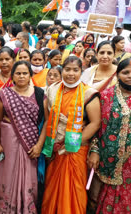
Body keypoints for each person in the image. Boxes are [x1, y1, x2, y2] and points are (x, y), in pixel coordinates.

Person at [41, 56, 101, 214]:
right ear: (62, 70)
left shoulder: (89, 93)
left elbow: (95, 123)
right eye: (67, 69)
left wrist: (73, 143)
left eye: (76, 70)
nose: (71, 74)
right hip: (55, 146)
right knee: (53, 185)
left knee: (74, 187)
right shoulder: (52, 89)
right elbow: (47, 118)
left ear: (81, 72)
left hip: (76, 148)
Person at [0, 60, 47, 213]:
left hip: (30, 143)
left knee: (28, 176)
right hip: (8, 142)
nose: (22, 76)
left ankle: (26, 207)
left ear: (30, 75)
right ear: (12, 76)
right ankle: (7, 207)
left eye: (25, 73)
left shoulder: (39, 94)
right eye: (18, 73)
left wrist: (39, 145)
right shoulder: (4, 94)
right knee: (8, 174)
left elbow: (46, 122)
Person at [91, 58, 131, 214]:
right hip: (107, 162)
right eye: (125, 72)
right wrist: (94, 150)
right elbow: (95, 126)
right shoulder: (105, 96)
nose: (129, 76)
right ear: (117, 74)